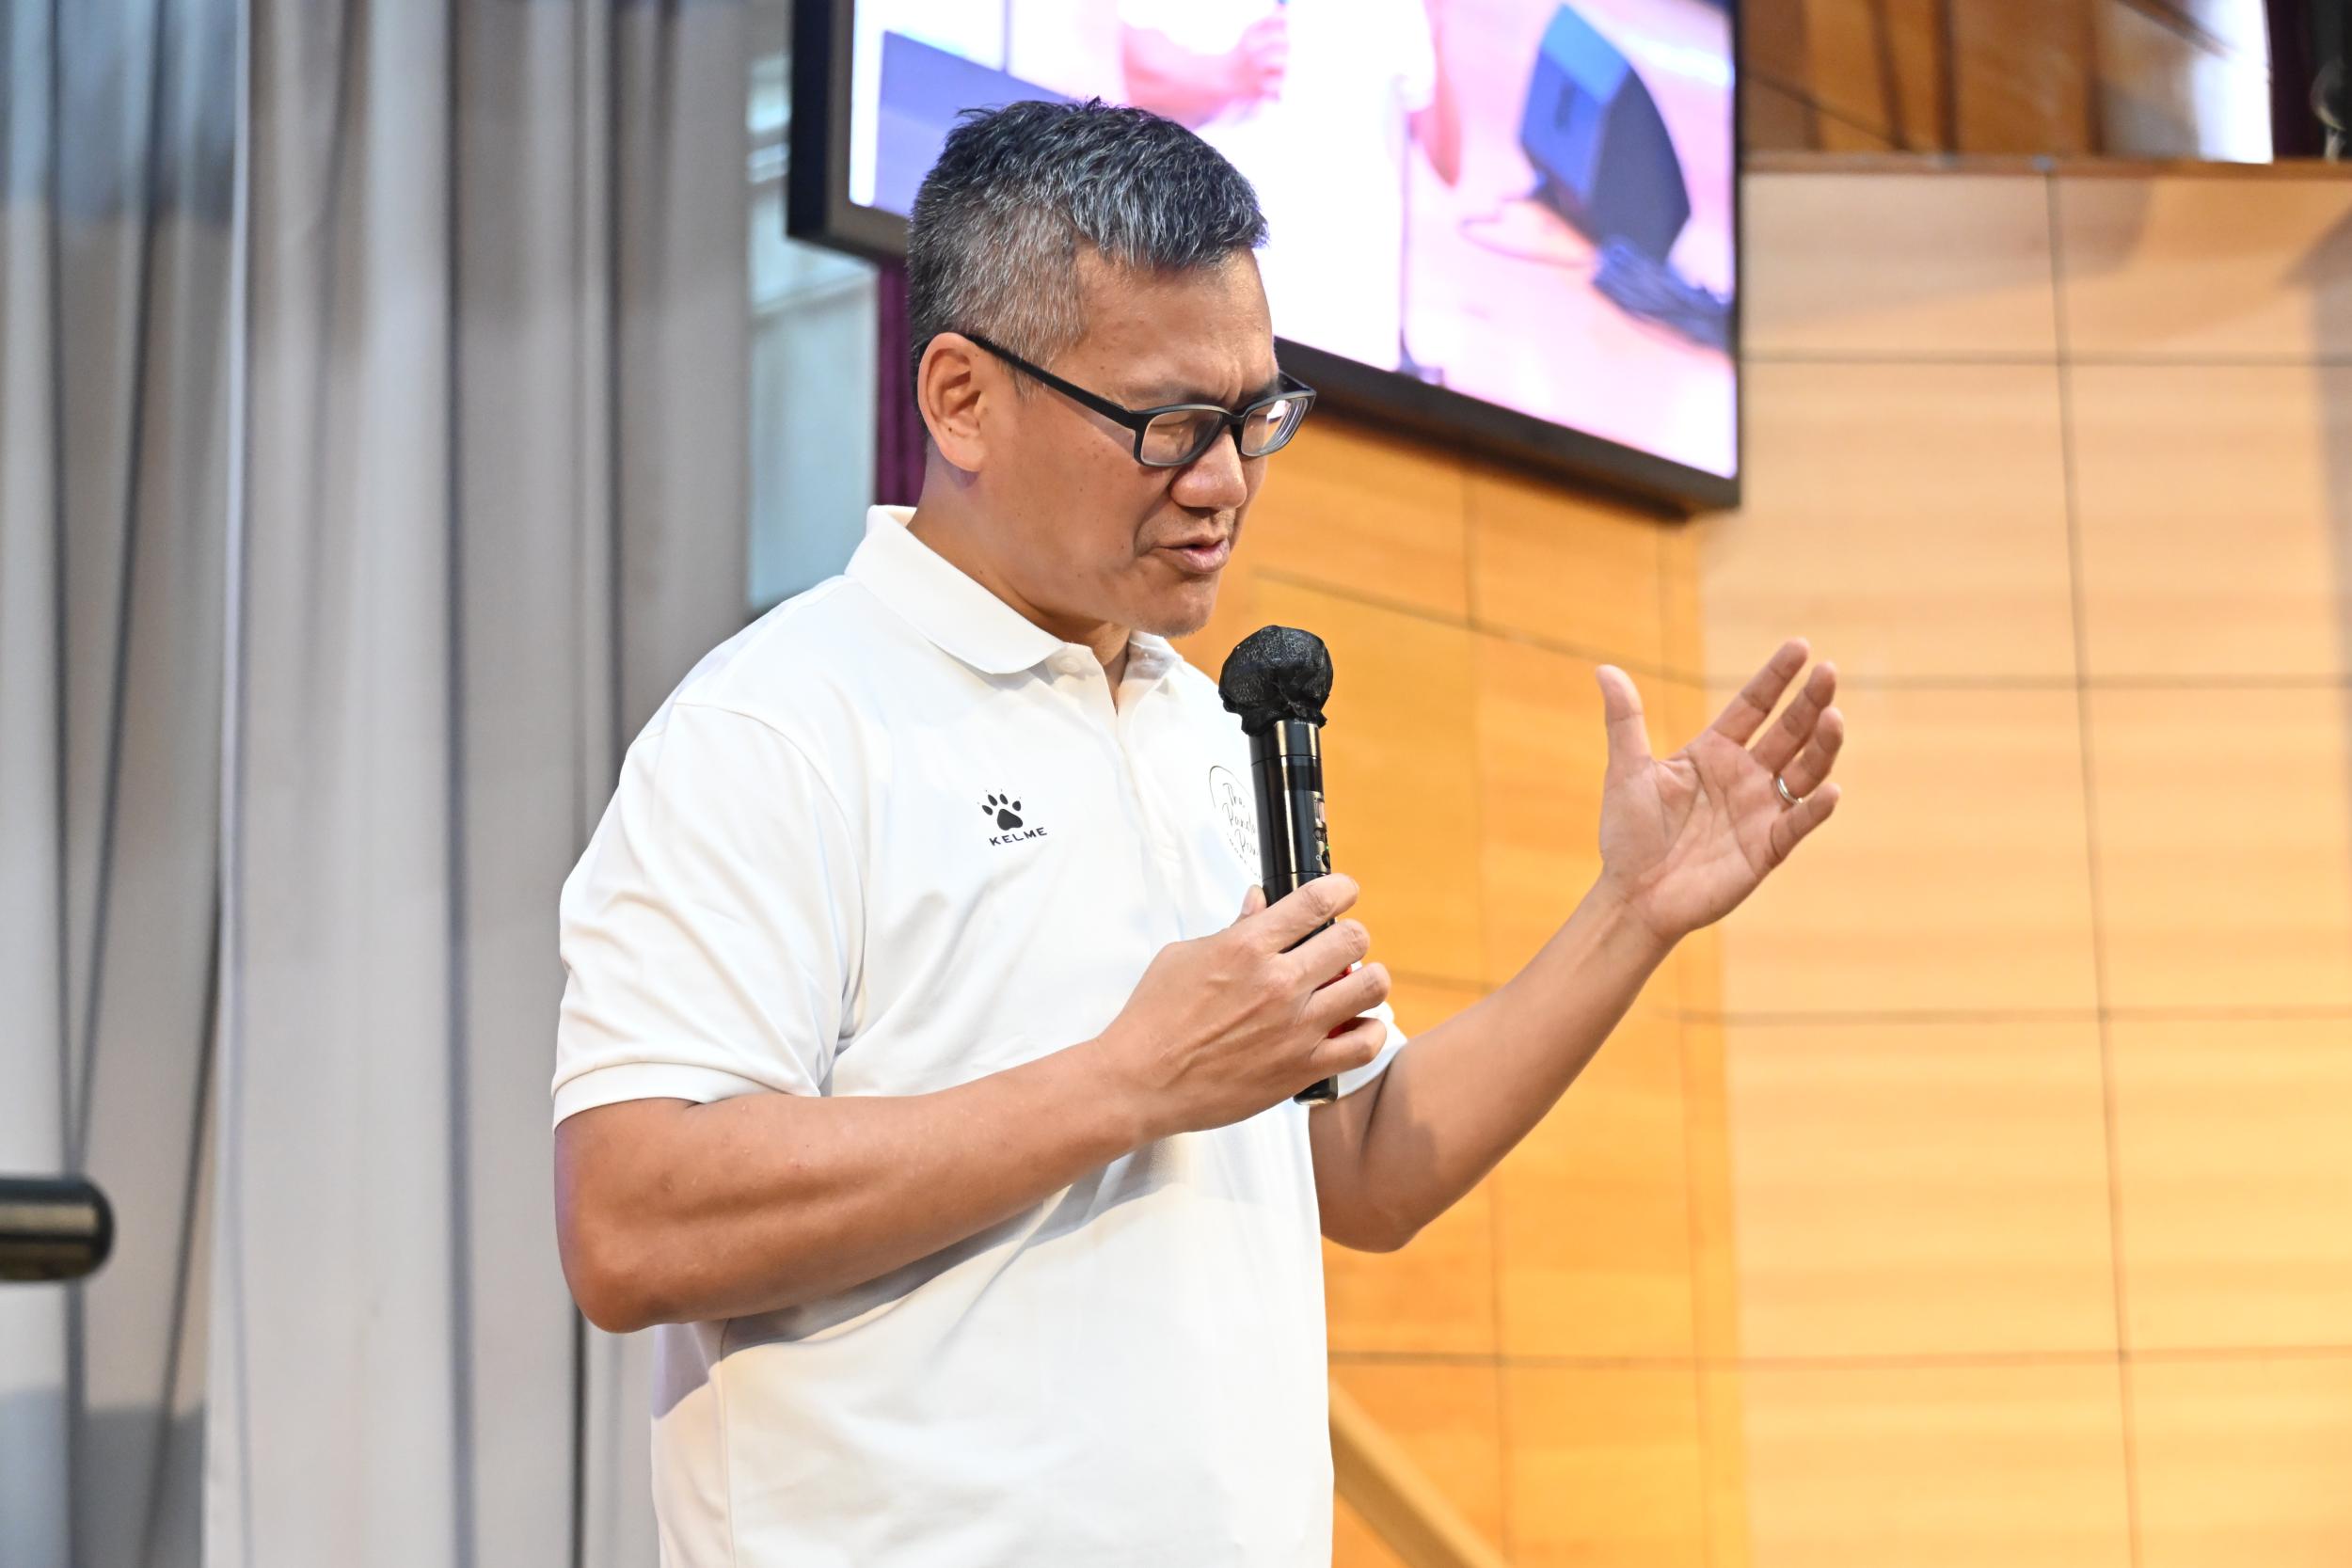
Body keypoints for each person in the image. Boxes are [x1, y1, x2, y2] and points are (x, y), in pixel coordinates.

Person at [550, 100, 1843, 1566]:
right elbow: (631, 1220)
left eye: (1255, 418)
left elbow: (1361, 1161)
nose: (1224, 479)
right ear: (962, 399)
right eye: (1168, 424)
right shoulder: (779, 722)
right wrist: (1127, 1079)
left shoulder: (1207, 729)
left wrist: (1630, 912)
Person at [1120, 0, 1461, 372]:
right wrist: (1229, 75)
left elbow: (1447, 159)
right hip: (1214, 292)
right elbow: (1142, 78)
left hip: (1350, 313)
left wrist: (1437, 27)